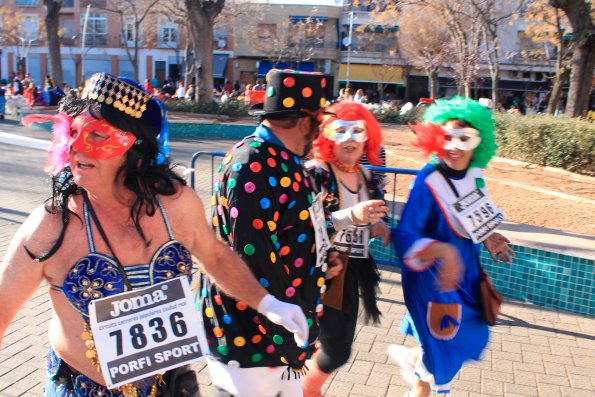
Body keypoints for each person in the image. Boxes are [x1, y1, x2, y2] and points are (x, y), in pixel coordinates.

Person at [0, 73, 309, 397]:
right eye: (73, 133)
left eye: (97, 135)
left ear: (135, 145)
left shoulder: (175, 203)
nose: (76, 148)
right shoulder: (53, 224)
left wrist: (266, 302)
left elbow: (215, 255)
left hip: (164, 386)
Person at [200, 69, 342, 397]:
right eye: (319, 122)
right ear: (307, 121)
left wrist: (323, 259)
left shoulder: (288, 161)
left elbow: (302, 228)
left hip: (283, 329)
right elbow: (253, 260)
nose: (319, 133)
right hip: (248, 335)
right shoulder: (252, 163)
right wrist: (290, 341)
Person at [388, 97, 514, 396]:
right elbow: (405, 235)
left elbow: (471, 217)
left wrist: (488, 237)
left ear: (477, 143)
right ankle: (424, 379)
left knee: (468, 335)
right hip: (435, 281)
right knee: (444, 347)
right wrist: (442, 251)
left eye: (465, 138)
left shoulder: (475, 176)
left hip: (466, 275)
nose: (455, 146)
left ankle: (417, 362)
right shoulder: (427, 180)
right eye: (448, 137)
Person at [301, 102, 390, 397]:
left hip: (352, 270)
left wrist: (378, 225)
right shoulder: (317, 172)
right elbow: (303, 225)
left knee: (336, 346)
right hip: (318, 270)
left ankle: (302, 385)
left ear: (368, 137)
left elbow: (369, 213)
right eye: (341, 131)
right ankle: (307, 389)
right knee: (332, 349)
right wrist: (352, 216)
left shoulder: (364, 174)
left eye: (357, 131)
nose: (350, 139)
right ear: (327, 136)